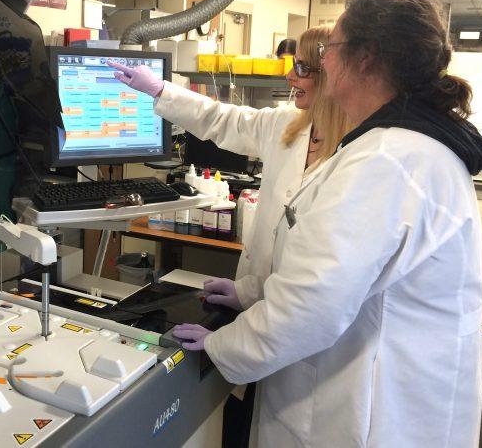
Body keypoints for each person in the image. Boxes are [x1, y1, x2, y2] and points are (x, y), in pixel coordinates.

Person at [172, 0, 482, 448]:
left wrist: (219, 347)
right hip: (393, 389)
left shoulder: (386, 160)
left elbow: (311, 307)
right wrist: (254, 291)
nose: (322, 62)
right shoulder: (402, 146)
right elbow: (345, 275)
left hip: (363, 412)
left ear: (364, 59)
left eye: (329, 50)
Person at [110, 26, 350, 309]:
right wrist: (161, 89)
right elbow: (223, 119)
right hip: (254, 294)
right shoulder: (284, 124)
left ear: (330, 73)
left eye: (301, 67)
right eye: (291, 65)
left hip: (302, 311)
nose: (289, 76)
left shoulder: (355, 154)